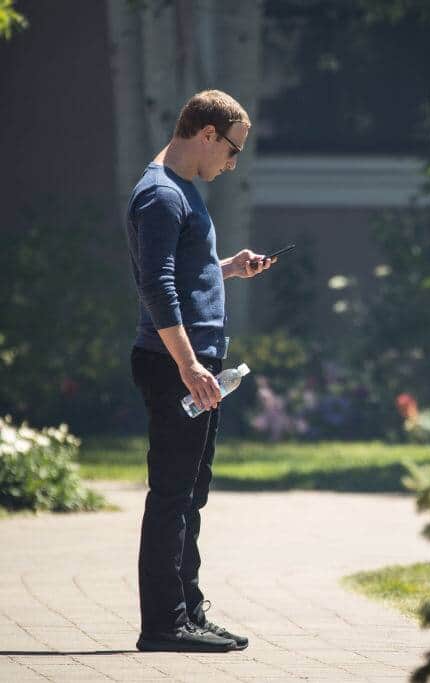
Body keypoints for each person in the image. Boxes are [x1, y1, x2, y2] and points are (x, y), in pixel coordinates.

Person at [124, 90, 272, 652]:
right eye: (233, 149)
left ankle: (187, 611)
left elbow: (184, 271)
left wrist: (226, 268)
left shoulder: (180, 191)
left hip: (193, 363)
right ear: (207, 134)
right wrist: (189, 366)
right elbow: (156, 285)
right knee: (171, 495)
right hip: (173, 365)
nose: (233, 163)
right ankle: (163, 625)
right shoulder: (160, 193)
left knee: (190, 493)